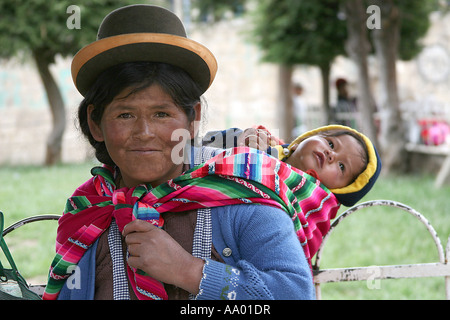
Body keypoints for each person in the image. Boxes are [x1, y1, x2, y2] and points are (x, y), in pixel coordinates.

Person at [43, 5, 316, 300]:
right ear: (96, 123)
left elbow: (296, 294)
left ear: (193, 118)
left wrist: (188, 271)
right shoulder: (87, 212)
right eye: (125, 115)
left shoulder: (242, 183)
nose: (144, 132)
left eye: (161, 114)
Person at [204, 124, 382, 207]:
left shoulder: (305, 210)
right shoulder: (257, 142)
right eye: (331, 144)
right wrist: (237, 145)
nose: (330, 155)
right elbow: (195, 149)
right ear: (299, 141)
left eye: (342, 166)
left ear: (338, 192)